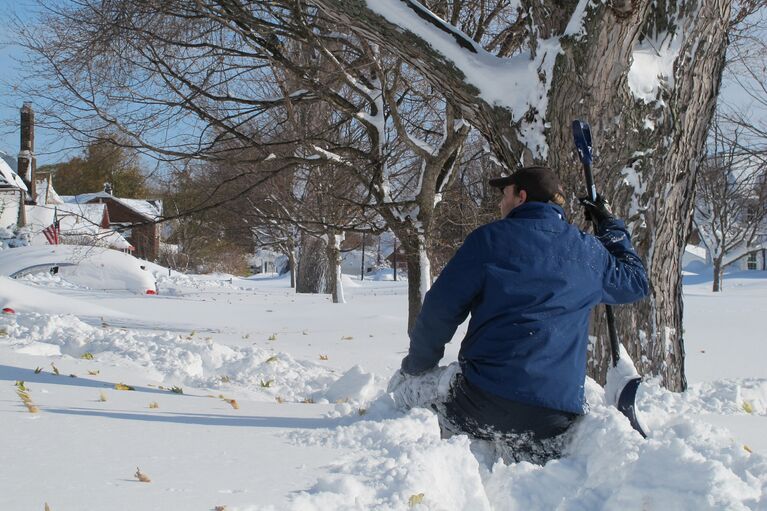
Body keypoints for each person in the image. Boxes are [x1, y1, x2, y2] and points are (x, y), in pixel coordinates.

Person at [389, 166, 649, 458]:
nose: (501, 203)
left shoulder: (489, 241)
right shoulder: (591, 253)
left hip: (481, 402)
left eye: (505, 194)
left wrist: (417, 366)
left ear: (521, 197)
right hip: (555, 418)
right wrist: (611, 227)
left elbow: (440, 310)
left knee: (404, 392)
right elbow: (636, 282)